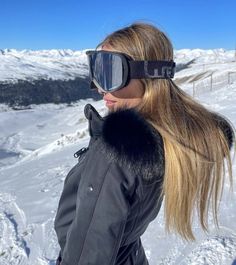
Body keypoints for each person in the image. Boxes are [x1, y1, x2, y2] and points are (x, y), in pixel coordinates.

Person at [54, 22, 235, 265]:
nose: (99, 89)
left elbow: (88, 253)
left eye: (109, 73)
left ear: (149, 74)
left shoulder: (117, 152)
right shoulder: (167, 136)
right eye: (96, 71)